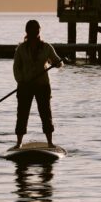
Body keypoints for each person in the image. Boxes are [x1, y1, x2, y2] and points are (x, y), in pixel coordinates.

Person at [12, 19, 63, 149]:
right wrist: (21, 81)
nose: (35, 32)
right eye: (32, 30)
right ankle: (19, 143)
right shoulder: (21, 49)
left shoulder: (46, 47)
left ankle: (50, 142)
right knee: (22, 114)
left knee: (46, 113)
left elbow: (58, 62)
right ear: (27, 32)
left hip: (42, 86)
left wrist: (56, 63)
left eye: (36, 29)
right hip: (25, 86)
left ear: (39, 31)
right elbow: (16, 68)